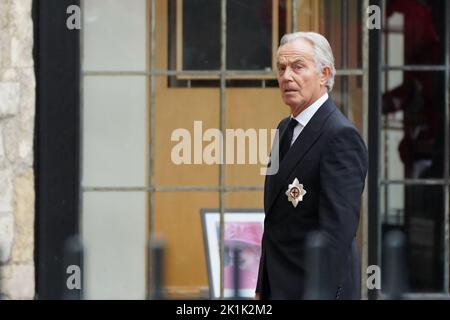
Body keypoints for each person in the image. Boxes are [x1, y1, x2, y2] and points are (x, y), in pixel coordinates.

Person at [255, 32, 368, 300]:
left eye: (298, 67)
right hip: (279, 285)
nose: (286, 77)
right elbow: (273, 223)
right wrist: (262, 286)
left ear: (323, 74)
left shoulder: (340, 136)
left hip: (315, 289)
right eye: (281, 68)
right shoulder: (285, 129)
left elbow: (337, 234)